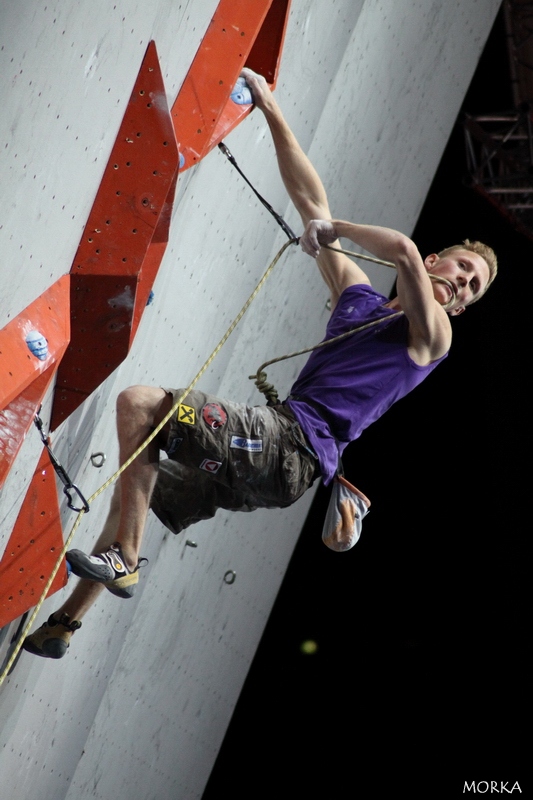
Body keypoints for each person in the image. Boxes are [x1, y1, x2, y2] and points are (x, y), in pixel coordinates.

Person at [23, 69, 497, 659]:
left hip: (289, 446)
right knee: (135, 498)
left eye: (473, 288)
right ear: (438, 261)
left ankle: (123, 560)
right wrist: (271, 109)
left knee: (139, 404)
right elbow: (310, 199)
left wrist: (335, 230)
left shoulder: (433, 338)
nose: (463, 284)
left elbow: (396, 247)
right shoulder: (359, 299)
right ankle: (65, 624)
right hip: (275, 469)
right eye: (461, 269)